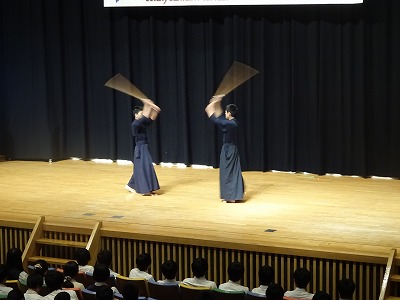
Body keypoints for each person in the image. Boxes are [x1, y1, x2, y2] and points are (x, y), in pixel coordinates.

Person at [205, 95, 244, 202]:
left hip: (228, 150)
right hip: (233, 149)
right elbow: (221, 116)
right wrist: (217, 102)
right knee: (232, 172)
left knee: (227, 173)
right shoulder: (233, 122)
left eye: (226, 112)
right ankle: (233, 195)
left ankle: (231, 197)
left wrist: (210, 107)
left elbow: (215, 119)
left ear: (229, 113)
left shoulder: (230, 124)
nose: (225, 113)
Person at [125, 99, 161, 196]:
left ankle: (131, 185)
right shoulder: (135, 124)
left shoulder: (142, 123)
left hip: (144, 146)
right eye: (140, 113)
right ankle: (145, 189)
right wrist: (147, 105)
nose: (142, 115)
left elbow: (152, 117)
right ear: (136, 115)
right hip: (140, 148)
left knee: (142, 167)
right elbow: (145, 117)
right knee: (144, 167)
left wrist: (155, 109)